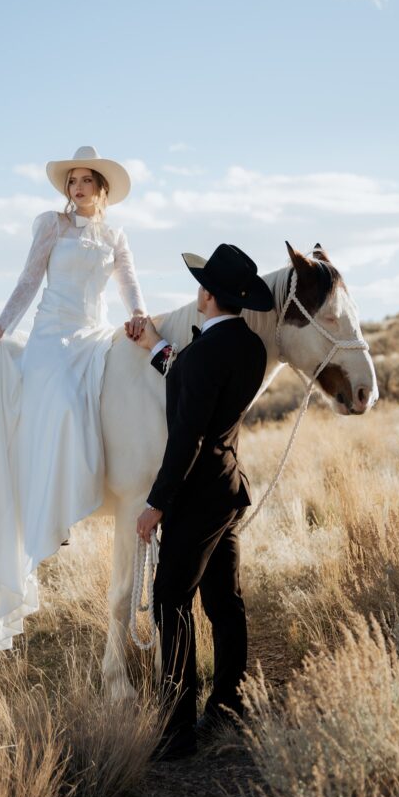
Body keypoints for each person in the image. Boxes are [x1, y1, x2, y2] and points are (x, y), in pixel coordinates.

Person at [0, 146, 148, 656]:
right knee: (61, 399)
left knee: (110, 395)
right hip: (50, 337)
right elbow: (28, 279)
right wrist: (2, 327)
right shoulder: (51, 226)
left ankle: (91, 486)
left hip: (94, 334)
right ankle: (55, 509)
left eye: (87, 181)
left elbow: (131, 287)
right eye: (73, 181)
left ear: (103, 191)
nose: (78, 188)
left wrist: (140, 317)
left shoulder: (115, 236)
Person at [130, 244, 274, 761]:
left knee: (171, 599)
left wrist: (156, 504)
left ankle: (177, 730)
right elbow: (193, 382)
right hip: (228, 488)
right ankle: (230, 704)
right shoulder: (251, 350)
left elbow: (187, 434)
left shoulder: (204, 355)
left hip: (194, 499)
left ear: (205, 295)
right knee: (224, 602)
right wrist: (154, 346)